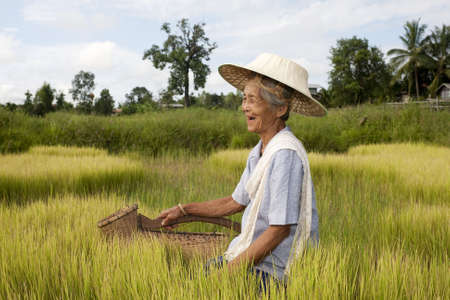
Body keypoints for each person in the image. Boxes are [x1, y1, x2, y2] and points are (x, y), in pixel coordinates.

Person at [157, 53, 326, 288]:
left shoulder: (284, 154)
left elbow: (278, 230)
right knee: (195, 279)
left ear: (280, 109)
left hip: (274, 269)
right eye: (244, 99)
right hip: (252, 257)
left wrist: (229, 273)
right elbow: (235, 202)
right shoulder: (261, 151)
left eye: (253, 100)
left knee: (205, 285)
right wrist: (183, 210)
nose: (244, 107)